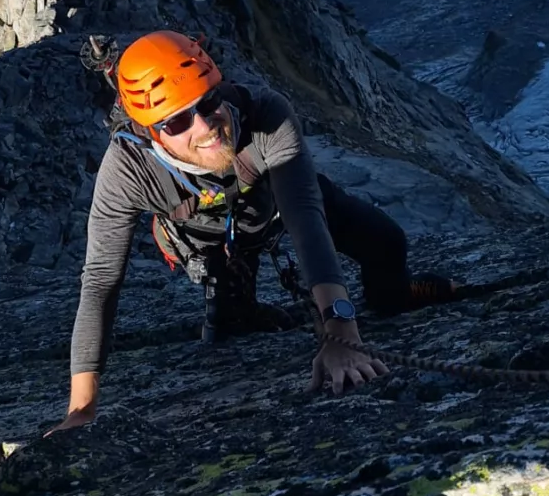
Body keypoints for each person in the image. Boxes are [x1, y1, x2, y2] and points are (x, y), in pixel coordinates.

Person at [50, 30, 454, 431]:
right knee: (229, 326)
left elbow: (305, 216)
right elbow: (101, 280)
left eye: (209, 102)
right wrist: (81, 409)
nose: (205, 126)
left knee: (386, 243)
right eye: (177, 122)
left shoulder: (266, 113)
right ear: (150, 131)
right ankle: (238, 303)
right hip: (207, 243)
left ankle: (394, 296)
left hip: (278, 203)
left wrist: (341, 331)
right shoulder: (128, 169)